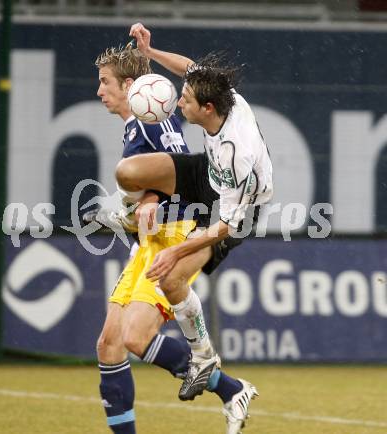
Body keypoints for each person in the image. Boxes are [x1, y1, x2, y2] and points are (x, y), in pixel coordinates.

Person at [91, 43, 259, 434]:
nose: (100, 91)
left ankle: (230, 388)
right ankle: (231, 389)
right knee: (109, 344)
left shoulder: (148, 120)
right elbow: (172, 170)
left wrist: (149, 199)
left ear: (131, 86)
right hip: (149, 239)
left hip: (172, 234)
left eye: (105, 82)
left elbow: (179, 175)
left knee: (134, 337)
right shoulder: (151, 120)